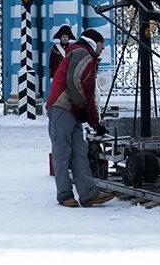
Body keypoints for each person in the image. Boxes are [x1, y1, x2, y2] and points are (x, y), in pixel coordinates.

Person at [45, 28, 115, 208]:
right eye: (102, 45)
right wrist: (82, 108)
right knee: (62, 152)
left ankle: (88, 194)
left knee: (79, 152)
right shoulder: (82, 53)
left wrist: (94, 122)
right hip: (62, 106)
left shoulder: (85, 56)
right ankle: (65, 194)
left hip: (72, 109)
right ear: (95, 42)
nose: (103, 49)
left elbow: (88, 93)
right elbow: (75, 82)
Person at [46, 24, 75, 98]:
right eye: (63, 37)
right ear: (60, 38)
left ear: (69, 38)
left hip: (68, 75)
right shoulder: (55, 48)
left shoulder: (72, 48)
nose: (65, 38)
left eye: (66, 37)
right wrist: (51, 76)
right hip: (57, 74)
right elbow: (51, 63)